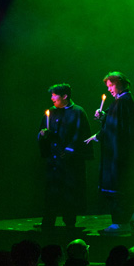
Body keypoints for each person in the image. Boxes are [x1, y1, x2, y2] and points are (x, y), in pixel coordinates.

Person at [86, 72, 134, 234]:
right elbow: (115, 122)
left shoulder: (124, 102)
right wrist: (104, 117)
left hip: (120, 156)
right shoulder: (122, 101)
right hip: (119, 154)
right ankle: (123, 222)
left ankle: (121, 222)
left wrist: (99, 135)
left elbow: (117, 128)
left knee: (120, 187)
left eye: (111, 86)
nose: (109, 90)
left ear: (119, 83)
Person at [36, 83, 92, 229]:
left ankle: (70, 223)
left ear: (65, 96)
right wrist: (43, 135)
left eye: (54, 95)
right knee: (51, 192)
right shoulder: (51, 111)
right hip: (54, 161)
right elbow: (44, 132)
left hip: (70, 163)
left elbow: (81, 134)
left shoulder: (78, 112)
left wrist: (70, 150)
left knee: (70, 192)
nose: (52, 98)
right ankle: (48, 221)